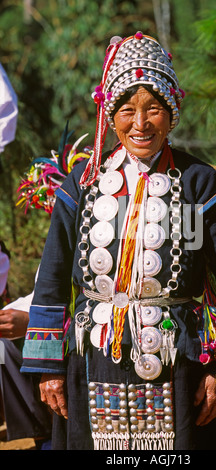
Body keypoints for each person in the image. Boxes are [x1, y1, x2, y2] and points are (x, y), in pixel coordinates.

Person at [21, 32, 216, 451]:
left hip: (179, 361)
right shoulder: (83, 185)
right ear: (110, 117)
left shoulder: (199, 185)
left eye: (154, 110)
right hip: (93, 361)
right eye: (127, 110)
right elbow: (52, 279)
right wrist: (48, 368)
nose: (141, 124)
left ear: (173, 113)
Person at [0, 130, 91, 448]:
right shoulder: (64, 240)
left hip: (94, 332)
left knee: (20, 345)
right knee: (8, 347)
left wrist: (30, 322)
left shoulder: (100, 239)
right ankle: (43, 435)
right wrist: (20, 314)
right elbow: (46, 289)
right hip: (67, 327)